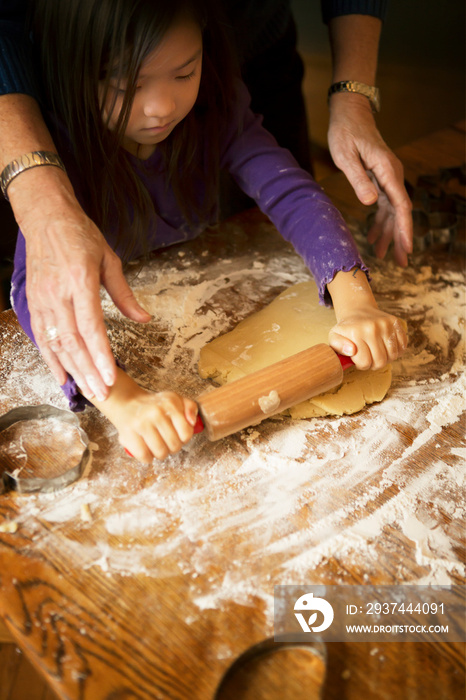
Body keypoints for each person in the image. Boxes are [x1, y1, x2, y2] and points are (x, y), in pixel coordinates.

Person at [10, 0, 407, 462]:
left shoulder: (218, 107)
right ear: (70, 70)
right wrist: (121, 399)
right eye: (127, 84)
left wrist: (357, 304)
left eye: (184, 73)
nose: (161, 106)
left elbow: (292, 194)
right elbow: (34, 295)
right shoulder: (56, 159)